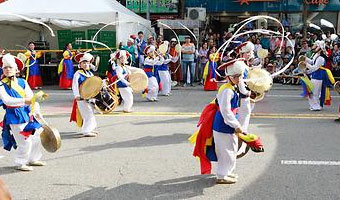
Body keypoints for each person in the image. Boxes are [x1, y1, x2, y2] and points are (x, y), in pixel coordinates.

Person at [191, 58, 246, 184]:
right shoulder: (227, 90)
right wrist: (236, 125)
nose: (239, 79)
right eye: (236, 76)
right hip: (223, 124)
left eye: (240, 76)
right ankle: (222, 175)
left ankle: (228, 172)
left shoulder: (231, 87)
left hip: (228, 123)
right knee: (225, 151)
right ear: (229, 77)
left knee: (231, 149)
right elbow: (226, 111)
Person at [0, 54, 45, 171]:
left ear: (16, 69)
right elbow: (7, 100)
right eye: (5, 67)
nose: (8, 69)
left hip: (26, 113)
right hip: (14, 115)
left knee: (36, 136)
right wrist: (26, 101)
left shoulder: (22, 82)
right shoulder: (1, 84)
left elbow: (31, 97)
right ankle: (21, 162)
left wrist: (35, 109)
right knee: (25, 141)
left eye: (10, 67)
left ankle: (33, 158)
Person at [70, 53, 98, 137]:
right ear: (80, 64)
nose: (86, 64)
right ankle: (86, 131)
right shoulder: (78, 73)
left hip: (90, 97)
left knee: (91, 113)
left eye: (87, 63)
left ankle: (90, 129)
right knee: (88, 114)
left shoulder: (90, 74)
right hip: (82, 97)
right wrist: (77, 96)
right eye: (84, 63)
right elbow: (74, 85)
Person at [305, 40, 335, 111]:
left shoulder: (321, 58)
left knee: (315, 92)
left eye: (316, 46)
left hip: (318, 76)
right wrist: (305, 59)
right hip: (315, 75)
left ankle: (317, 106)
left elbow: (314, 67)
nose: (314, 47)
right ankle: (314, 105)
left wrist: (306, 65)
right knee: (312, 91)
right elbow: (312, 62)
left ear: (320, 48)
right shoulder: (316, 55)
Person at [236, 41, 255, 132]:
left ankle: (243, 132)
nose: (249, 54)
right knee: (243, 115)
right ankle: (242, 134)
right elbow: (240, 81)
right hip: (242, 95)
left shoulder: (245, 64)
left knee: (246, 114)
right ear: (241, 53)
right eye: (247, 52)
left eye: (250, 52)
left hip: (246, 94)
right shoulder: (240, 65)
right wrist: (246, 92)